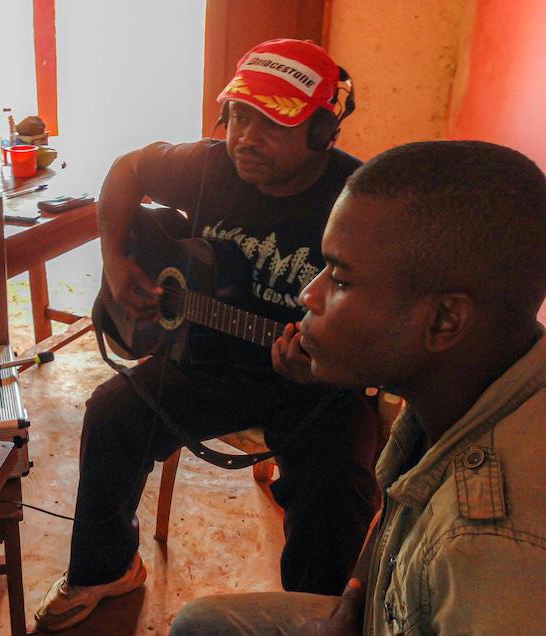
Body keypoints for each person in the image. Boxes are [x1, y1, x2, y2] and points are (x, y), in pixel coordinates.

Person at [33, 38, 381, 632]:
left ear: (323, 132)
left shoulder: (361, 199)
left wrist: (334, 362)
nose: (245, 138)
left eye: (272, 124)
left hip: (314, 378)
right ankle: (105, 569)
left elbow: (384, 311)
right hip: (207, 357)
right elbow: (127, 169)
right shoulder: (207, 164)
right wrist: (116, 262)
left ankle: (310, 618)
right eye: (239, 116)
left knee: (336, 486)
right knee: (114, 411)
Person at [170, 140, 546, 635]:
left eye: (341, 280)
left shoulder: (492, 550)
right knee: (200, 622)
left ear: (444, 320)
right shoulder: (459, 386)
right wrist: (358, 595)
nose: (310, 293)